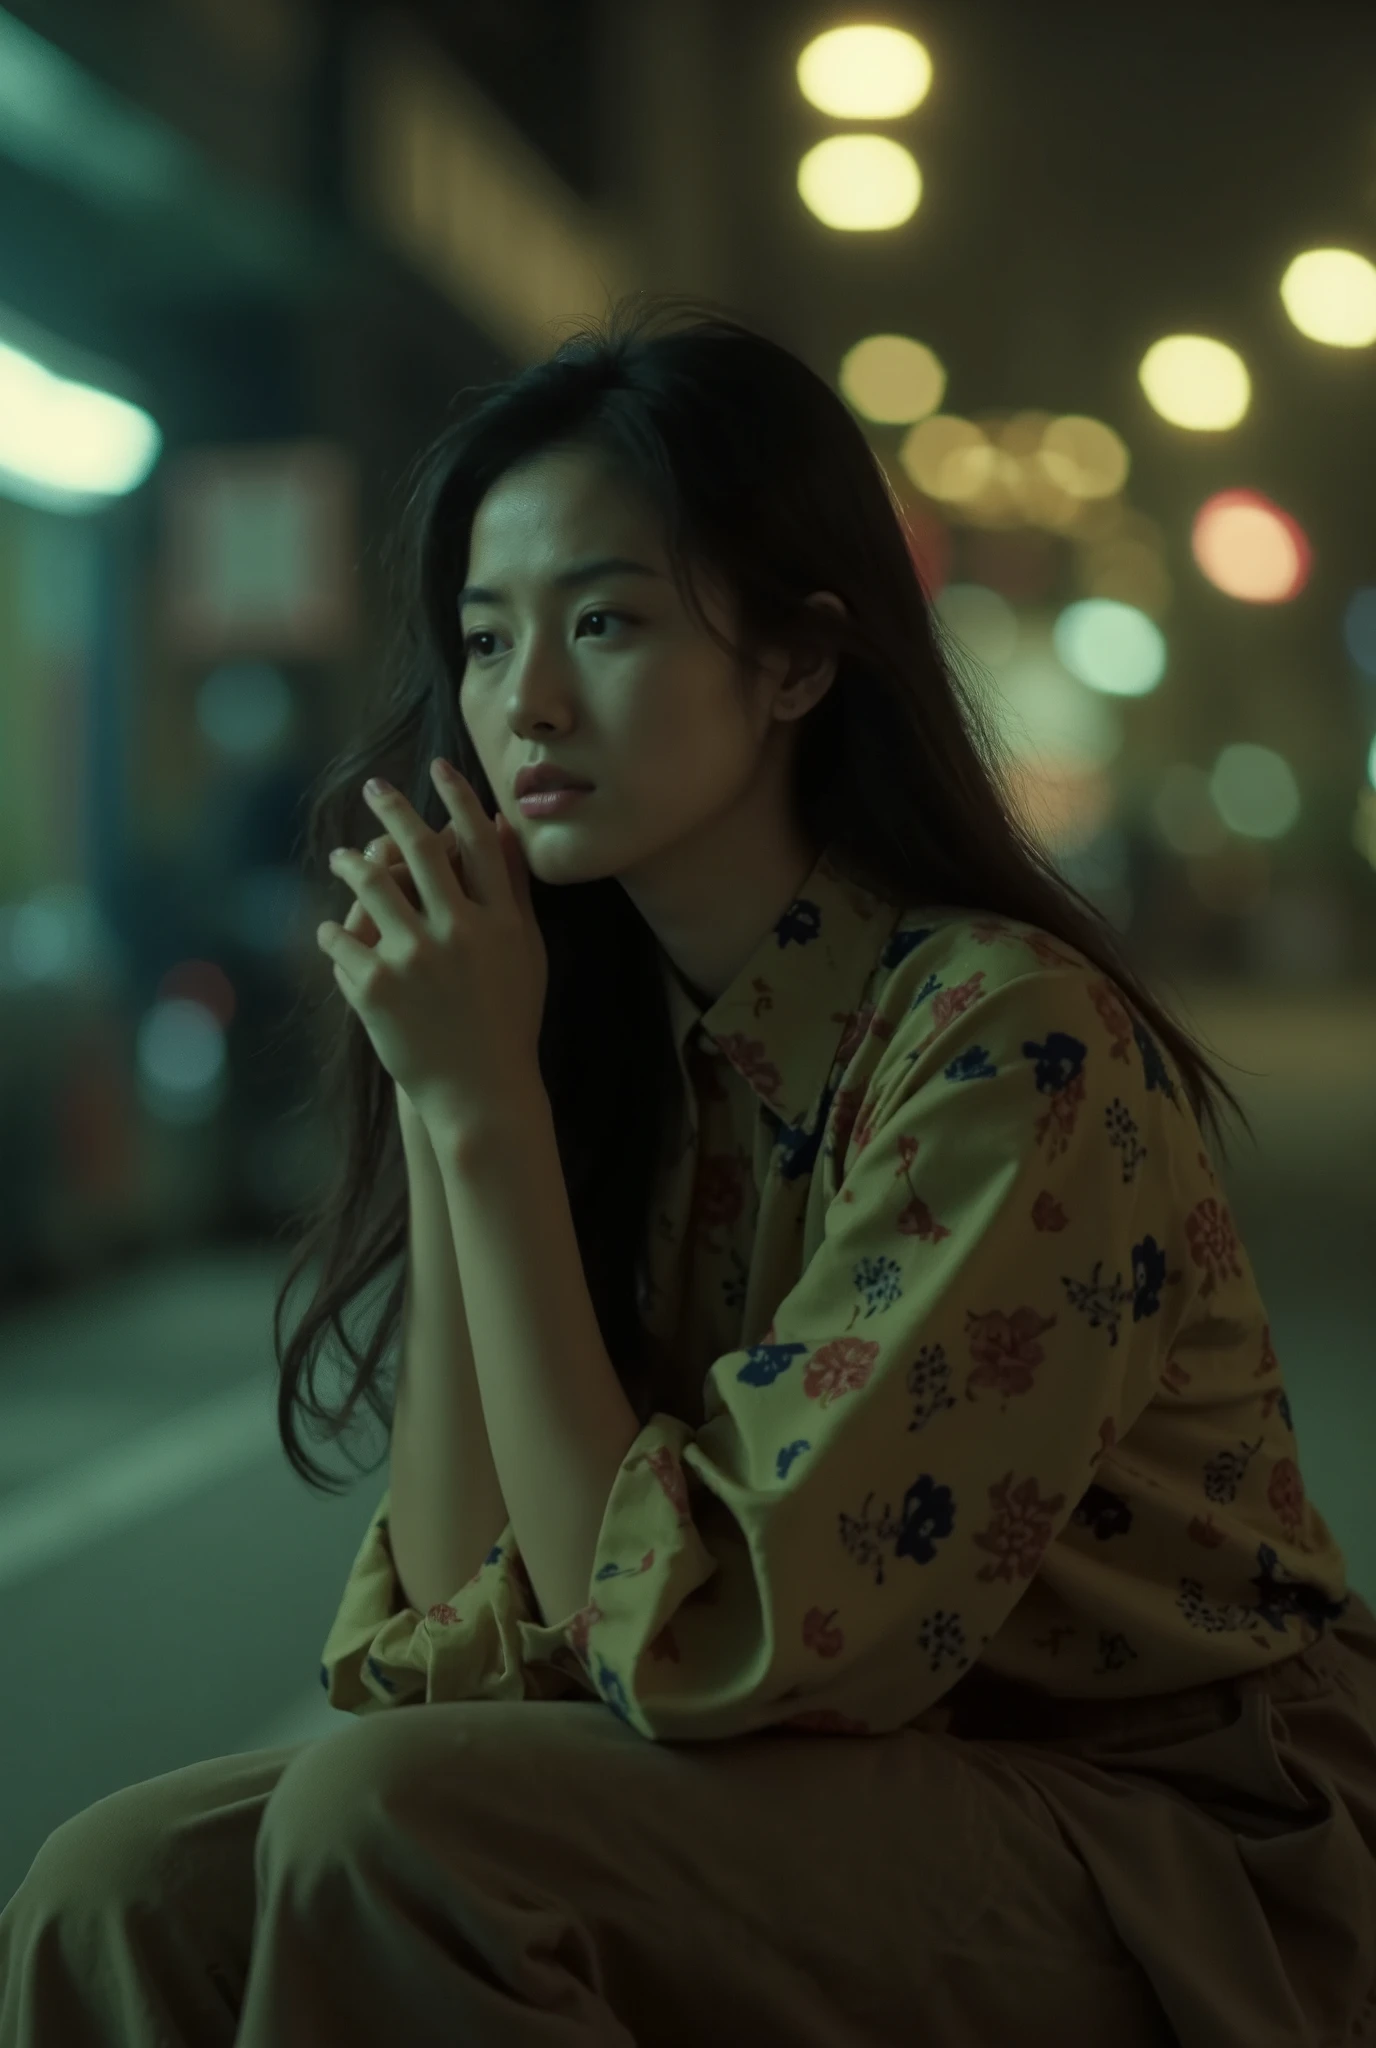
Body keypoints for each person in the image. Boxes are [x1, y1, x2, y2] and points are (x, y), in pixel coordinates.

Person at [3, 294, 1374, 2047]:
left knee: (392, 1832)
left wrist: (486, 1107)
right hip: (851, 1789)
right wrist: (451, 1102)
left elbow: (706, 1649)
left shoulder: (1003, 1045)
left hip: (1167, 1842)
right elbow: (453, 1618)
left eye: (607, 622)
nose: (528, 702)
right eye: (486, 640)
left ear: (798, 661)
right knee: (110, 1892)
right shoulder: (600, 1024)